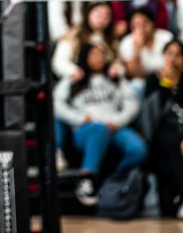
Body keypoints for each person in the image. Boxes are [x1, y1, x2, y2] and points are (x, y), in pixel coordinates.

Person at [53, 43, 146, 207]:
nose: (98, 58)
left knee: (138, 150)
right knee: (99, 129)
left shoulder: (115, 78)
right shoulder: (74, 78)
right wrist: (80, 118)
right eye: (93, 54)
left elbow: (132, 103)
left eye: (100, 54)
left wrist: (117, 121)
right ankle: (86, 179)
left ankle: (111, 180)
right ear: (84, 57)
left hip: (114, 126)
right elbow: (56, 104)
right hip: (86, 129)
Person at [142, 40, 183, 220]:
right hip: (163, 129)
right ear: (163, 56)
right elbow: (153, 114)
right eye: (169, 53)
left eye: (178, 54)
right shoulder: (153, 79)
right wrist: (165, 83)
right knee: (168, 140)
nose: (173, 58)